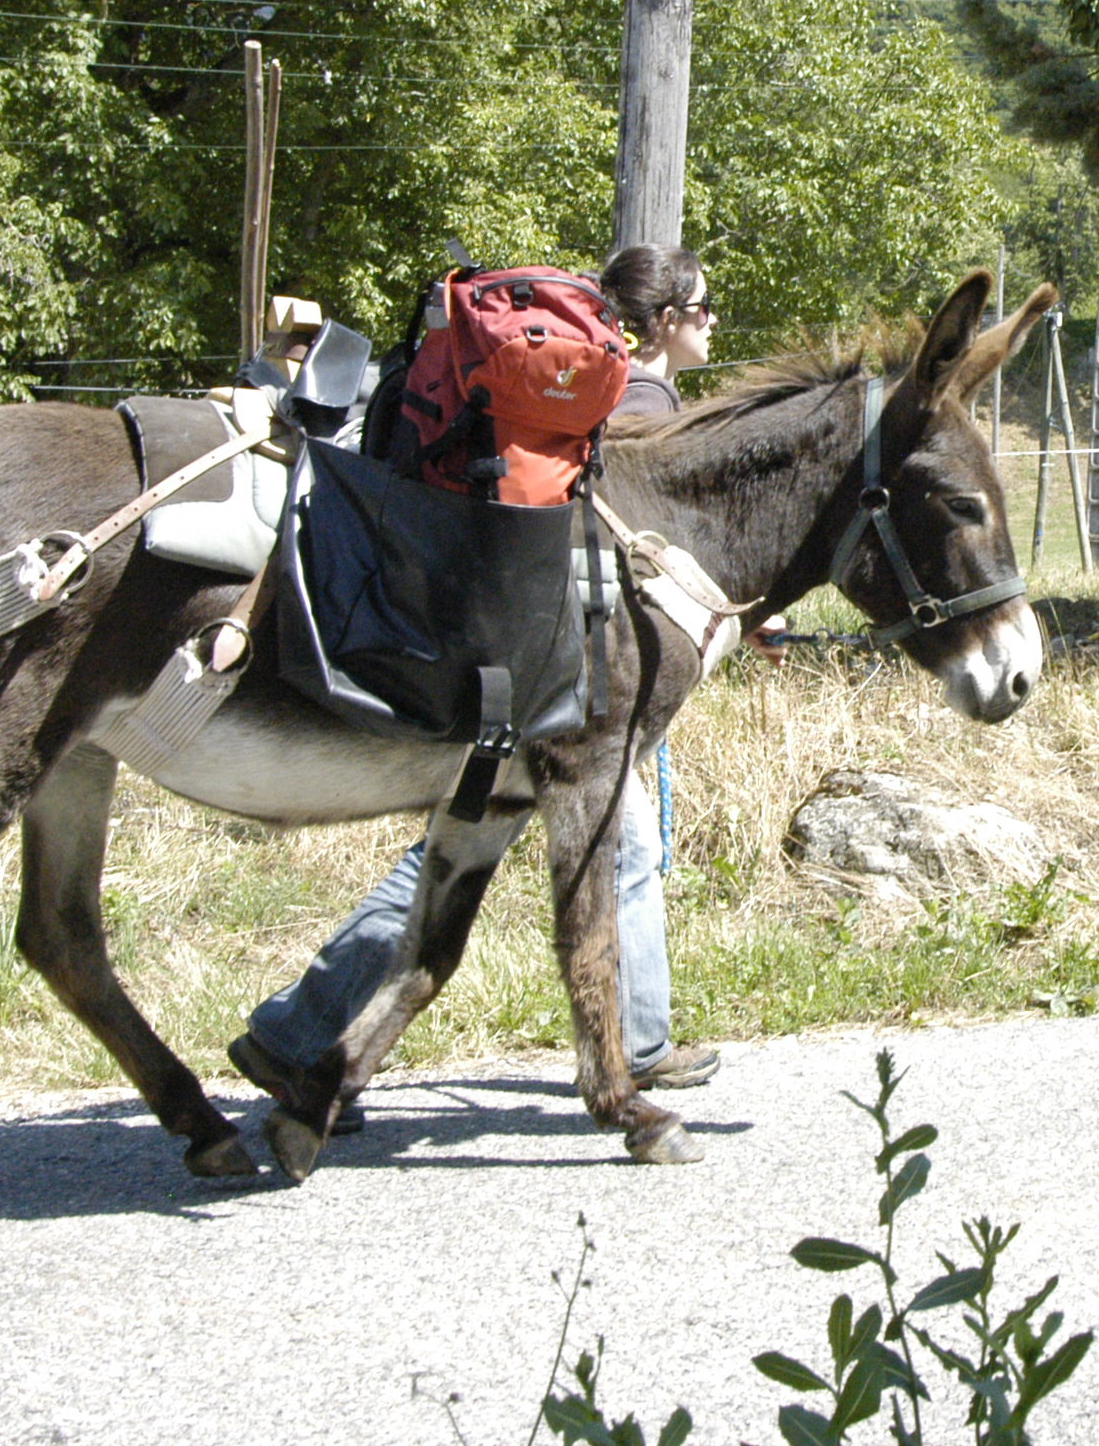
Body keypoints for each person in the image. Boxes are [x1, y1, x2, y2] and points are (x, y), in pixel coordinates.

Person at [228, 246, 732, 1130]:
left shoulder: (610, 392)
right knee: (499, 845)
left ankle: (637, 1038)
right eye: (700, 308)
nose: (711, 322)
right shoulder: (639, 402)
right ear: (661, 321)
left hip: (551, 648)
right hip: (575, 666)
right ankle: (303, 1028)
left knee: (574, 843)